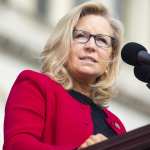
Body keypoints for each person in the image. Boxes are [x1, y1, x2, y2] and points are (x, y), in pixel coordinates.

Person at [3, 1, 126, 150]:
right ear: (63, 45)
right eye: (81, 36)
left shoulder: (116, 124)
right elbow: (18, 145)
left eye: (101, 40)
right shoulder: (35, 85)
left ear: (110, 58)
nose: (91, 46)